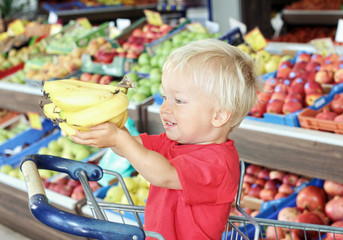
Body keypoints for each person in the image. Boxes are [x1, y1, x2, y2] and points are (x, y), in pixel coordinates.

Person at [71, 38, 263, 240]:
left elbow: (164, 175)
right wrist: (109, 133)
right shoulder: (175, 143)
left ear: (219, 116)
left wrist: (120, 140)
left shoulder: (218, 164)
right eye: (164, 98)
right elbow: (132, 148)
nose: (164, 109)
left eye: (178, 100)